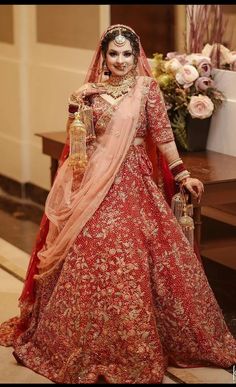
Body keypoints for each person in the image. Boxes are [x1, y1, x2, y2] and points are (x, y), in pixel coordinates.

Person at [0, 24, 235, 384]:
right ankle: (84, 342)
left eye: (127, 53)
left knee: (132, 250)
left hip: (135, 183)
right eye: (114, 53)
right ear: (103, 56)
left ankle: (134, 342)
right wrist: (76, 106)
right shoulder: (90, 94)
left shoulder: (147, 89)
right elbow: (81, 146)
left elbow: (162, 134)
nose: (121, 61)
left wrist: (182, 173)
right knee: (86, 245)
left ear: (135, 54)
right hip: (96, 183)